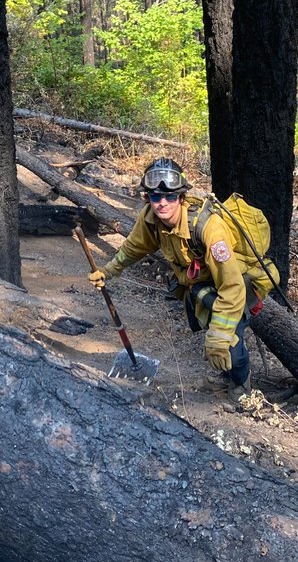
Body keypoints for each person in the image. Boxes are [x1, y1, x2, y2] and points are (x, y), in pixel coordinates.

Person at [88, 158, 279, 403]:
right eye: (155, 197)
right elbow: (133, 248)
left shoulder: (209, 228)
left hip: (240, 282)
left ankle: (242, 385)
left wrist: (220, 334)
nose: (162, 203)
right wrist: (109, 270)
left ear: (181, 197)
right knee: (214, 329)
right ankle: (225, 375)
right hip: (205, 281)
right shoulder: (150, 219)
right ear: (147, 198)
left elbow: (232, 286)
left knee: (229, 342)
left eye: (170, 197)